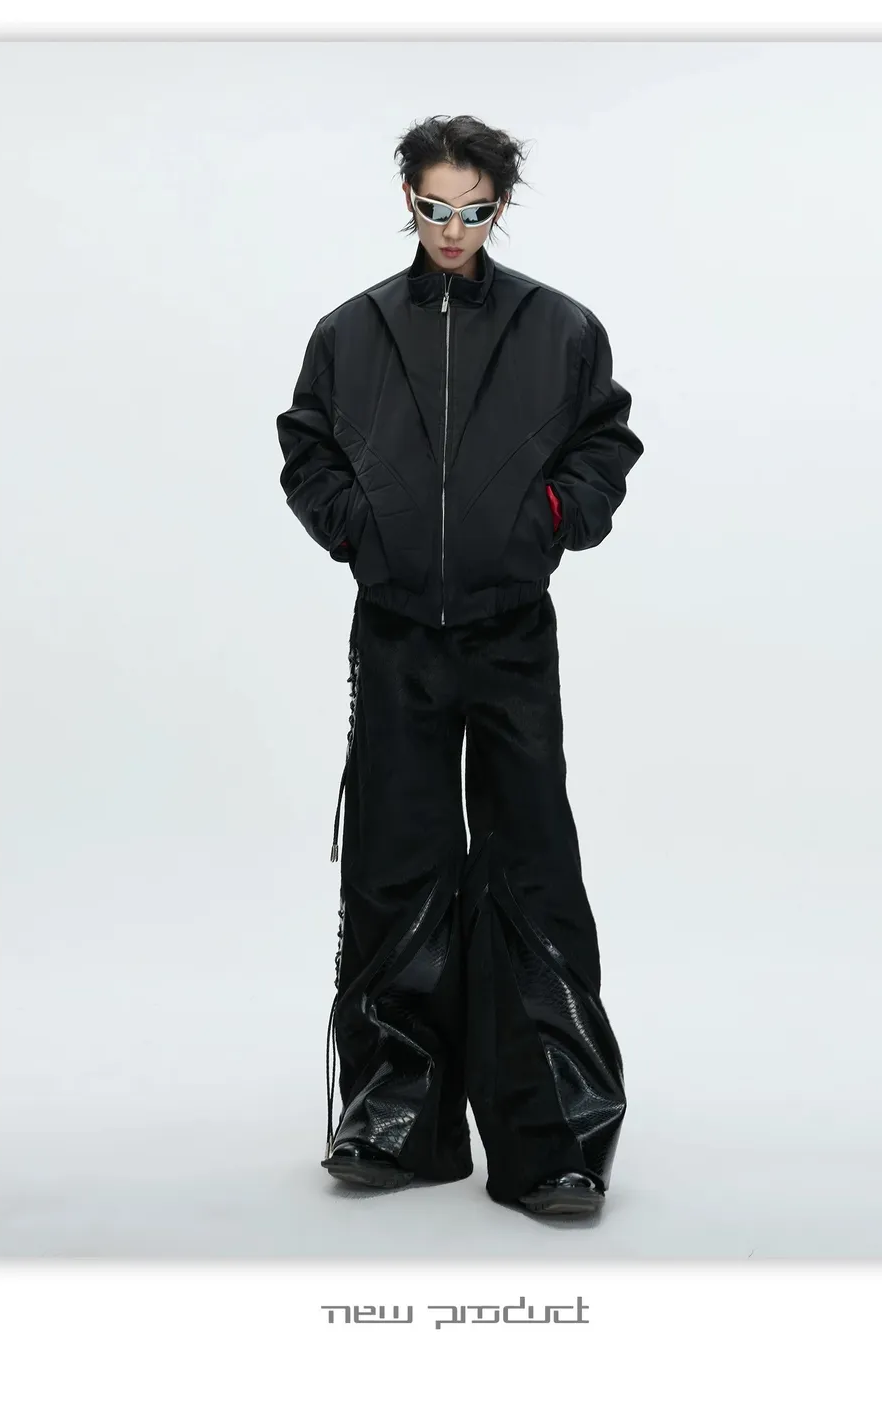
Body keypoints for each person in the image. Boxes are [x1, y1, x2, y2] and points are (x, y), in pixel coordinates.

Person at [275, 114, 644, 1217]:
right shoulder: (352, 332)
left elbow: (605, 443)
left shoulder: (557, 327)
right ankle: (394, 1120)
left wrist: (550, 519)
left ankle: (555, 1138)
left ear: (500, 207)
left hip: (509, 629)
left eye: (473, 210)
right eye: (435, 207)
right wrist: (360, 531)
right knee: (396, 860)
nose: (452, 228)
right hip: (396, 631)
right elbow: (307, 448)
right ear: (408, 197)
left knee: (530, 863)